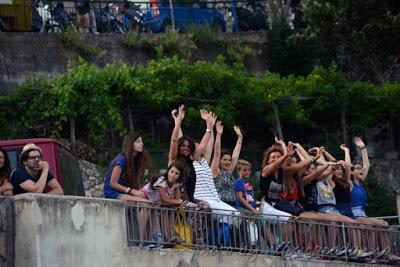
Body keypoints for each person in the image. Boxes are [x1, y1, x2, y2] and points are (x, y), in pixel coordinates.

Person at [141, 161, 186, 243]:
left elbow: (177, 201)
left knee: (169, 208)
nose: (173, 175)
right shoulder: (161, 180)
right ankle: (144, 240)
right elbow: (164, 199)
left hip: (156, 202)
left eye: (176, 173)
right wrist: (178, 201)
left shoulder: (176, 184)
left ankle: (168, 237)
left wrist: (178, 202)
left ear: (179, 176)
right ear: (168, 171)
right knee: (162, 208)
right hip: (145, 198)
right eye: (172, 172)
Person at [104, 132, 152, 203]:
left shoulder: (136, 161)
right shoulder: (122, 159)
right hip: (113, 193)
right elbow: (113, 183)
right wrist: (132, 191)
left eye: (141, 142)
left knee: (149, 199)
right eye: (138, 142)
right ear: (130, 144)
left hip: (125, 193)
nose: (142, 144)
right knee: (145, 202)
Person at [211, 121, 243, 206]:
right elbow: (217, 153)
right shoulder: (215, 171)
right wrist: (218, 134)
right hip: (220, 205)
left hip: (232, 204)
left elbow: (235, 155)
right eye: (224, 159)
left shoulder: (228, 172)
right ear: (219, 161)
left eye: (229, 160)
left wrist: (240, 137)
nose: (228, 162)